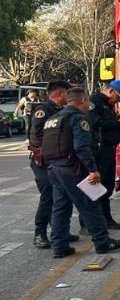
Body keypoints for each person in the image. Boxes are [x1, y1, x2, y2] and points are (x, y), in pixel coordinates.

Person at [43, 87, 120, 258]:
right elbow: (82, 147)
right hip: (74, 169)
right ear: (83, 100)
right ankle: (103, 242)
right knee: (90, 204)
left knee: (60, 207)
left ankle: (59, 245)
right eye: (87, 101)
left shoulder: (53, 118)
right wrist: (93, 170)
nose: (89, 105)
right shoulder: (78, 119)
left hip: (54, 168)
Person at [28, 80, 78, 249]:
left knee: (62, 195)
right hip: (43, 161)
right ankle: (39, 233)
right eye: (68, 92)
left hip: (58, 160)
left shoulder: (61, 111)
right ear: (60, 94)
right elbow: (37, 138)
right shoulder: (43, 111)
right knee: (48, 195)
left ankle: (59, 231)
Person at [88, 79, 120, 230]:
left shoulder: (109, 105)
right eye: (119, 97)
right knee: (95, 188)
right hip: (99, 150)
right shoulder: (95, 102)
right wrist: (119, 123)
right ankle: (87, 223)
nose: (119, 100)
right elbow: (95, 123)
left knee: (107, 186)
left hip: (109, 149)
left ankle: (106, 219)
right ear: (111, 91)